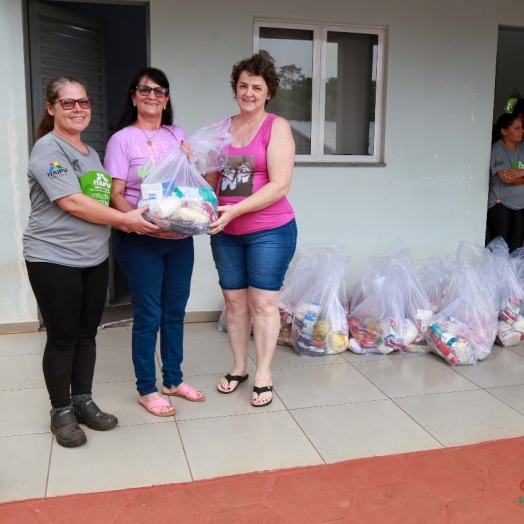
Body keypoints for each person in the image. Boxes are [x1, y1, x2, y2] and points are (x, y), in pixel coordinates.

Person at [23, 75, 160, 448]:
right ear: (51, 108)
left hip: (93, 257)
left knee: (87, 335)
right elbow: (72, 202)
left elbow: (99, 201)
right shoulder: (47, 150)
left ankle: (83, 400)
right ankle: (61, 411)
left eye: (84, 102)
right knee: (63, 337)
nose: (78, 109)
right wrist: (127, 220)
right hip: (53, 258)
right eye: (68, 103)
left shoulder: (89, 152)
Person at [104, 67, 206, 418]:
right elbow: (116, 195)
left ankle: (173, 381)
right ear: (133, 96)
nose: (152, 97)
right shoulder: (122, 140)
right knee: (149, 315)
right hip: (141, 240)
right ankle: (147, 389)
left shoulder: (177, 134)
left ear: (167, 98)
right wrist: (141, 223)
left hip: (179, 238)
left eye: (159, 91)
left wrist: (194, 159)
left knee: (175, 312)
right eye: (144, 91)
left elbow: (192, 184)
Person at [206, 53, 297, 407]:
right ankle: (240, 366)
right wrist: (192, 162)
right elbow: (212, 180)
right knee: (234, 301)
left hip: (269, 230)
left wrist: (235, 211)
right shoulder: (221, 129)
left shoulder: (278, 127)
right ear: (236, 88)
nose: (248, 92)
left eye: (256, 87)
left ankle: (263, 373)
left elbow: (280, 185)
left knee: (263, 303)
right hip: (225, 231)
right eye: (243, 85)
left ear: (268, 91)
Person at [487, 113, 524, 252]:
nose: (522, 131)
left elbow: (515, 177)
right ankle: (495, 274)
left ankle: (508, 275)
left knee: (515, 249)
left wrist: (521, 172)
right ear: (504, 131)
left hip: (519, 205)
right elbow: (507, 179)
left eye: (521, 127)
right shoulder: (498, 149)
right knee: (500, 248)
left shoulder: (522, 148)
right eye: (517, 128)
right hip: (501, 204)